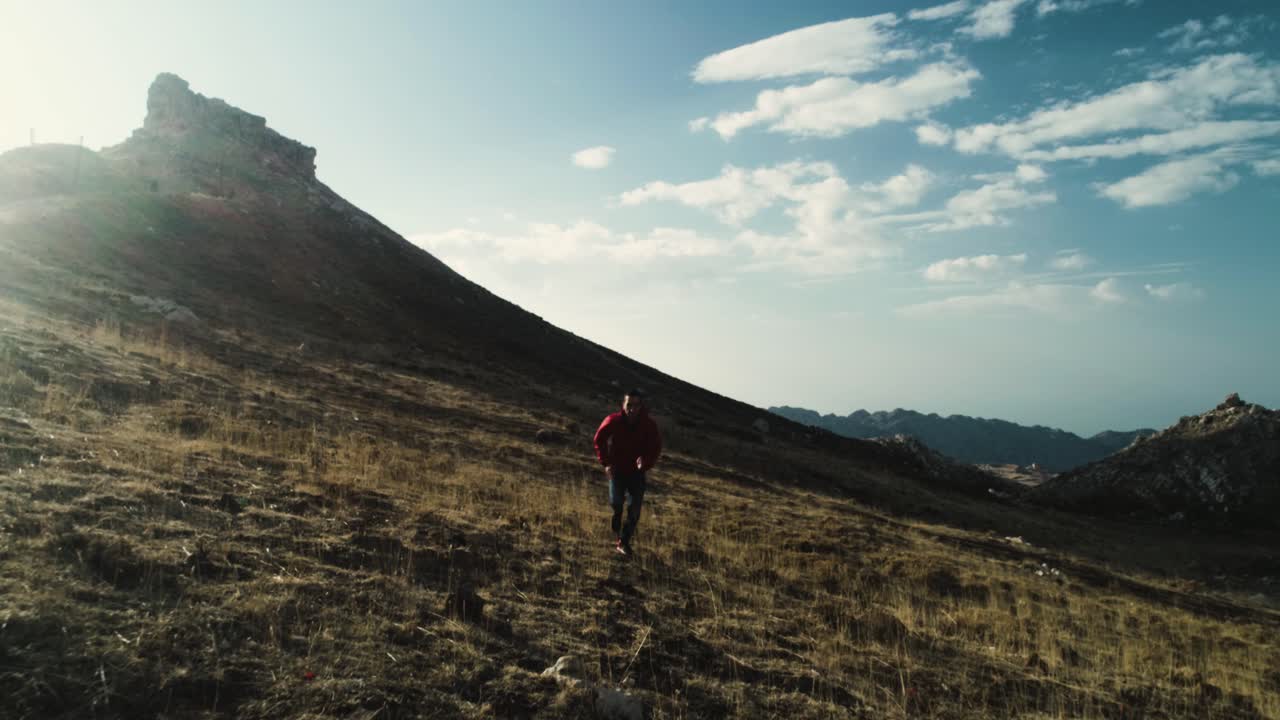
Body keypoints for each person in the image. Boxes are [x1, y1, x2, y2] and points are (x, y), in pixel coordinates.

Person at [592, 389, 662, 556]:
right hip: (616, 470)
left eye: (636, 405)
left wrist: (645, 461)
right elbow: (598, 439)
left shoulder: (649, 425)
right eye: (629, 405)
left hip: (636, 473)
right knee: (616, 502)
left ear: (641, 406)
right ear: (623, 405)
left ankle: (623, 541)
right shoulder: (613, 421)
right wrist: (606, 463)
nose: (632, 409)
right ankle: (617, 516)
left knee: (634, 509)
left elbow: (655, 448)